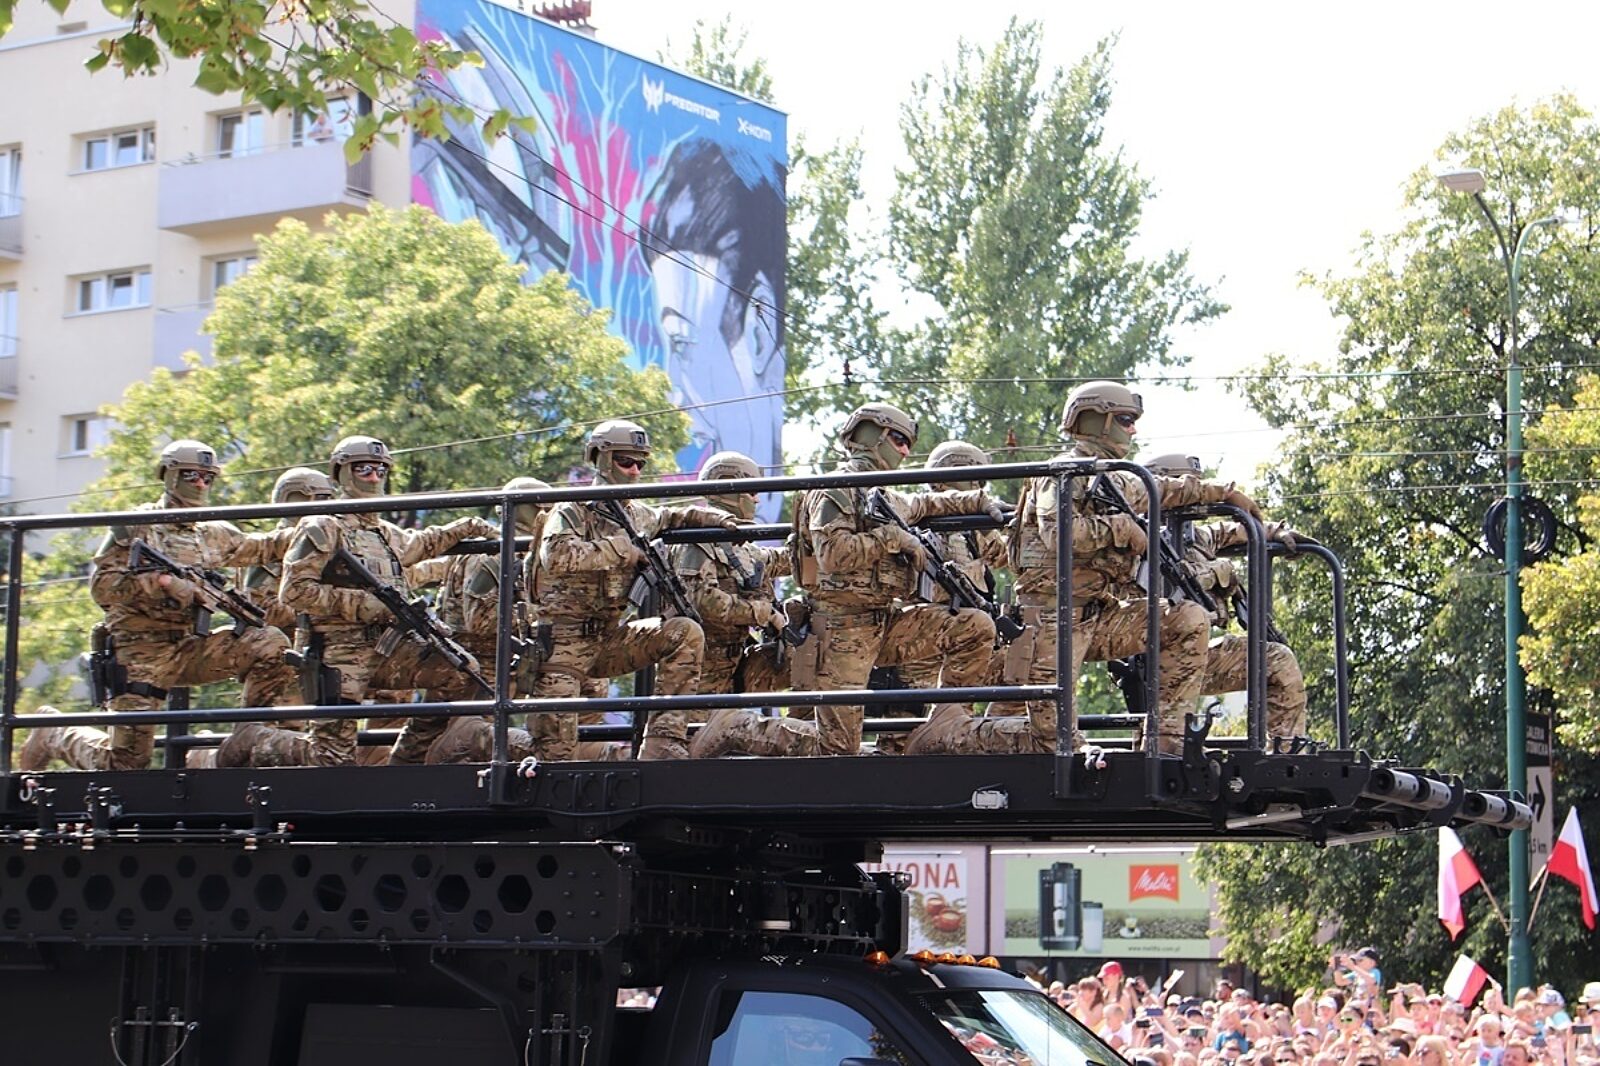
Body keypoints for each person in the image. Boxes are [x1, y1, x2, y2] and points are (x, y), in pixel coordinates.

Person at [908, 381, 1261, 757]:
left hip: (1098, 614)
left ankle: (1166, 740)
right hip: (1051, 619)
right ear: (1097, 420)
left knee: (1187, 618)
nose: (1133, 430)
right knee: (1054, 742)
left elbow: (1165, 490)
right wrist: (1122, 528)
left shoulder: (1118, 476)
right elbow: (1060, 533)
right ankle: (947, 734)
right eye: (1125, 420)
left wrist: (1224, 492)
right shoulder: (1060, 476)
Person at [21, 441, 299, 771]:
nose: (200, 484)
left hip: (188, 648)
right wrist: (162, 583)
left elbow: (264, 547)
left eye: (207, 477)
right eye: (191, 475)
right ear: (169, 475)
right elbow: (102, 587)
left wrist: (318, 525)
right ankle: (54, 733)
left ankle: (249, 737)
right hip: (139, 654)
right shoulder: (138, 525)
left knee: (270, 643)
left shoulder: (212, 533)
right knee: (126, 763)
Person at [218, 435, 494, 767]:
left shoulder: (383, 532)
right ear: (342, 473)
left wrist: (466, 527)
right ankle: (254, 740)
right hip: (336, 651)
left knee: (460, 670)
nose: (374, 477)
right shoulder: (322, 525)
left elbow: (419, 544)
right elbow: (294, 591)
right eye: (364, 469)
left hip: (387, 647)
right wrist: (363, 605)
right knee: (330, 758)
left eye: (381, 470)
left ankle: (408, 762)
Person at [786, 403, 1006, 756]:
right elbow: (833, 555)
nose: (905, 452)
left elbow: (928, 504)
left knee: (975, 627)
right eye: (899, 440)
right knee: (838, 749)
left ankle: (947, 722)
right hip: (842, 631)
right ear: (873, 435)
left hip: (883, 622)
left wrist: (977, 500)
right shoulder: (835, 489)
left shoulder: (883, 493)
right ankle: (742, 729)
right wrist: (892, 538)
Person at [528, 419, 739, 761]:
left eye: (640, 463)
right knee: (554, 757)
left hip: (608, 638)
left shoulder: (636, 514)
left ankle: (663, 739)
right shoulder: (572, 510)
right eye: (626, 461)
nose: (635, 471)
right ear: (601, 459)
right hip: (562, 646)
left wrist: (714, 519)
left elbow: (670, 517)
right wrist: (623, 549)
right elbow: (556, 556)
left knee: (685, 632)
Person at [1142, 453, 1309, 743]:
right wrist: (1216, 572)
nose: (1196, 495)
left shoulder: (1198, 538)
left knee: (1278, 660)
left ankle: (1287, 752)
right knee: (1164, 741)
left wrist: (1277, 532)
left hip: (1200, 657)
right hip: (1160, 658)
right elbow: (1161, 596)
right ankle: (1157, 747)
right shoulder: (1142, 541)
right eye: (1188, 485)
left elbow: (1233, 531)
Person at [678, 451, 818, 758]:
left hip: (735, 672)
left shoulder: (742, 548)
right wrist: (764, 614)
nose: (757, 500)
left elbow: (780, 560)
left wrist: (816, 540)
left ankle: (808, 726)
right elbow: (704, 601)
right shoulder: (696, 541)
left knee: (814, 657)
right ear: (729, 489)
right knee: (697, 747)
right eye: (753, 491)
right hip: (700, 683)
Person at [878, 440, 1011, 752]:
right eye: (971, 478)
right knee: (899, 735)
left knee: (1012, 671)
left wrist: (994, 522)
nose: (978, 486)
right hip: (922, 637)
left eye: (980, 481)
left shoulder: (974, 526)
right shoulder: (919, 516)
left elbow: (1004, 555)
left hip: (964, 635)